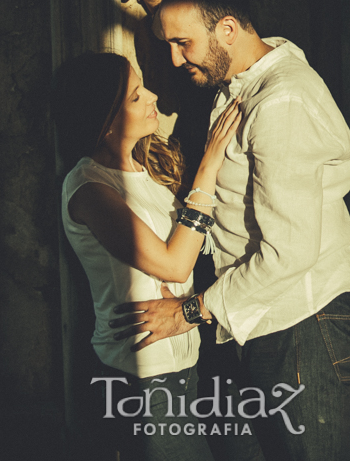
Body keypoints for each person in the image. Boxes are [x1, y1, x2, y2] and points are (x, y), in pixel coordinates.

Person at [88, 0, 350, 461]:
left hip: (302, 324)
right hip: (263, 318)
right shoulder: (247, 69)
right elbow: (200, 14)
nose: (174, 61)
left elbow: (288, 254)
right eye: (170, 43)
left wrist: (190, 313)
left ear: (227, 32)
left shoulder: (280, 102)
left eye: (183, 44)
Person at [52, 52, 242, 461]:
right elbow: (175, 263)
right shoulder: (87, 187)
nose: (152, 96)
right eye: (137, 96)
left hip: (185, 359)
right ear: (105, 120)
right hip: (142, 374)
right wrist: (208, 167)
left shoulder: (146, 170)